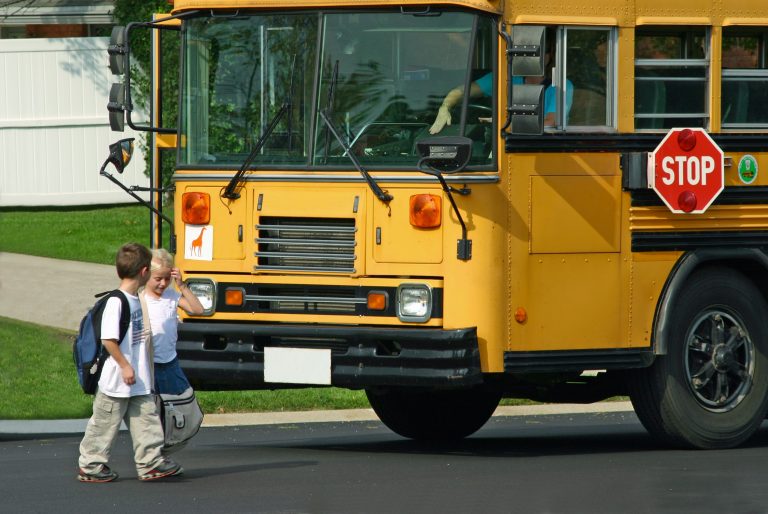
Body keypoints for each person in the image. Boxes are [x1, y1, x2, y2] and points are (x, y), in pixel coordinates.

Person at [77, 243, 181, 483]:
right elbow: (108, 340)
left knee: (147, 421)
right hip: (116, 379)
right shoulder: (117, 301)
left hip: (138, 378)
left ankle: (151, 463)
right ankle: (90, 465)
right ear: (144, 272)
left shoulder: (134, 299)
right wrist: (125, 365)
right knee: (104, 425)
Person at [429, 50, 572, 134]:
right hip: (500, 142)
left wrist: (502, 123)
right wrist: (445, 107)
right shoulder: (504, 77)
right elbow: (460, 91)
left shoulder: (560, 85)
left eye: (531, 53)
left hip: (539, 147)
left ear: (546, 58)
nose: (525, 57)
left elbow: (550, 123)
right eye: (521, 52)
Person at [143, 248, 204, 396]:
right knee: (153, 407)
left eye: (167, 278)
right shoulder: (141, 299)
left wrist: (182, 286)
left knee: (181, 401)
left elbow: (198, 310)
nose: (163, 283)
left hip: (170, 362)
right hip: (149, 364)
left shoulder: (171, 296)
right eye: (158, 279)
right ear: (146, 275)